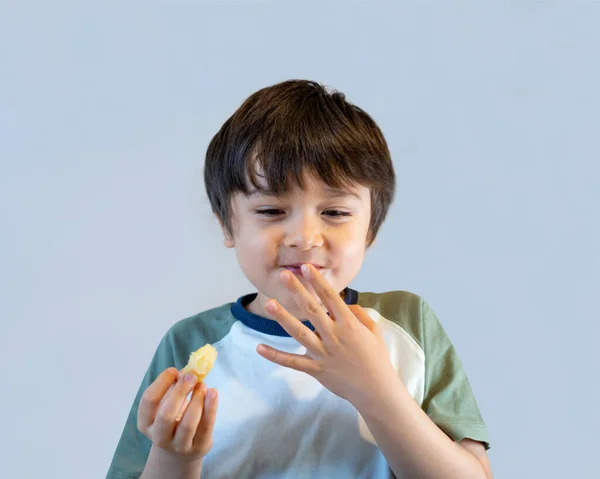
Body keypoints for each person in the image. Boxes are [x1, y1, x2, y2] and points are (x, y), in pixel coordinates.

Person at [106, 79, 493, 479]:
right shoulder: (189, 343)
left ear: (370, 230)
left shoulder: (407, 323)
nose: (305, 238)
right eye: (272, 211)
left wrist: (375, 389)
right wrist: (176, 457)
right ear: (227, 225)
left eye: (335, 213)